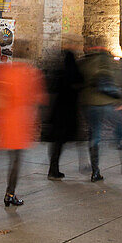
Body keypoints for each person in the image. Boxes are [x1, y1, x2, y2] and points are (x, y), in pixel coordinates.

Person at [0, 40, 46, 207]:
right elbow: (38, 99)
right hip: (21, 121)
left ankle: (10, 192)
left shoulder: (5, 71)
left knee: (14, 159)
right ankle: (10, 193)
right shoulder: (31, 73)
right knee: (16, 160)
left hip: (7, 121)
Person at [82, 35, 122, 181]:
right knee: (120, 125)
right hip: (108, 103)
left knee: (94, 136)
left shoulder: (86, 63)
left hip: (91, 104)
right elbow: (120, 80)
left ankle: (95, 170)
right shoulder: (110, 61)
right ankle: (118, 141)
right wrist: (121, 100)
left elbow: (81, 83)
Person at [44, 34, 84, 178]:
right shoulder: (69, 60)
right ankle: (54, 168)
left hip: (59, 105)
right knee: (61, 138)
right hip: (66, 107)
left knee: (59, 139)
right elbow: (74, 79)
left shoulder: (61, 60)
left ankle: (53, 168)